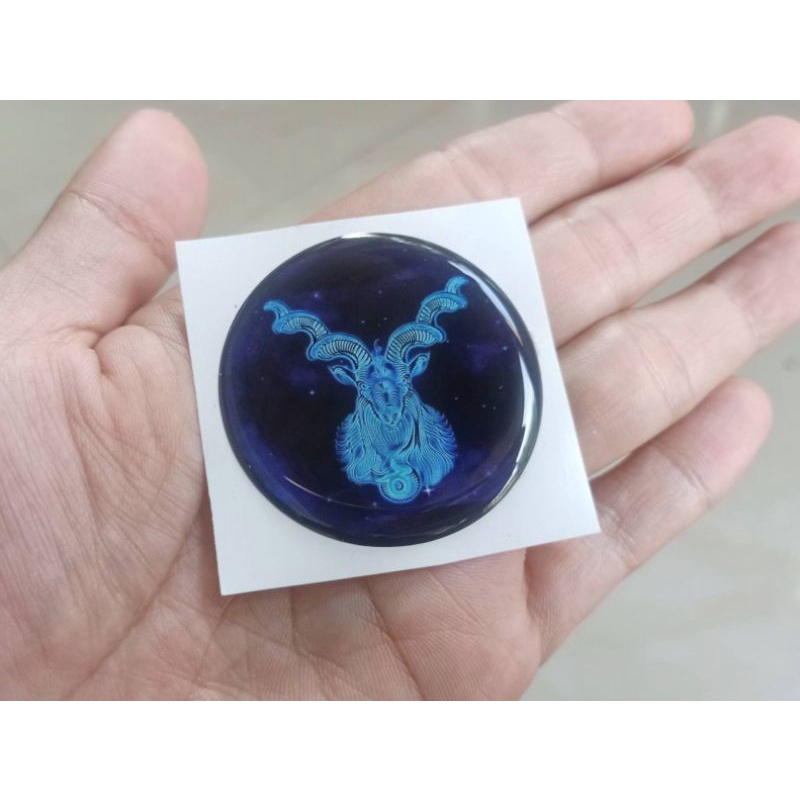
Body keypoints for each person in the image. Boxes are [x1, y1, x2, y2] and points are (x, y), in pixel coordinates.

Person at [1, 101, 798, 700]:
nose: (382, 380)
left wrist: (443, 307)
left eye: (397, 371)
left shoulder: (437, 438)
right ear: (353, 380)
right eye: (366, 376)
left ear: (412, 371)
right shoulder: (340, 438)